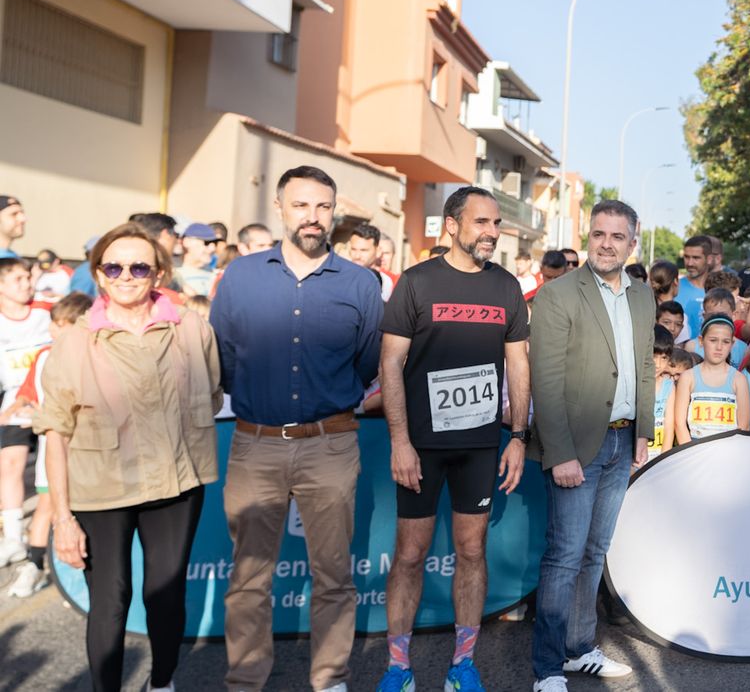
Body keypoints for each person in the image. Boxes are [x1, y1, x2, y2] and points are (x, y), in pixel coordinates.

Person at [211, 166, 384, 692]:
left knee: (333, 576)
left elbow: (366, 361)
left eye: (323, 206)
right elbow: (225, 358)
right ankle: (245, 679)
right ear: (282, 210)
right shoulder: (241, 277)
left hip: (330, 444)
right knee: (248, 578)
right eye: (302, 205)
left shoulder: (360, 283)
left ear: (334, 212)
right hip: (254, 443)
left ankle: (329, 678)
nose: (313, 217)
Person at [35, 223, 221, 692]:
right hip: (101, 489)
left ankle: (162, 683)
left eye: (139, 266)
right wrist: (62, 518)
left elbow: (213, 397)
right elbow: (55, 431)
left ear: (158, 274)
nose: (126, 275)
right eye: (113, 266)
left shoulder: (193, 330)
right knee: (111, 599)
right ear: (98, 274)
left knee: (165, 594)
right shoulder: (74, 341)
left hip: (176, 483)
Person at [377, 187, 530, 692]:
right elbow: (391, 363)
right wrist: (400, 440)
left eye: (496, 223)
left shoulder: (506, 287)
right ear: (451, 225)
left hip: (480, 445)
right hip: (421, 447)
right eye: (481, 222)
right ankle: (398, 668)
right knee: (410, 554)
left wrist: (518, 436)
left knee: (471, 550)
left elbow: (518, 365)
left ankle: (462, 664)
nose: (491, 231)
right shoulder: (417, 283)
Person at [528, 199, 656, 690]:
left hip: (623, 441)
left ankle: (580, 648)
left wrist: (643, 428)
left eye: (616, 236)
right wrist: (559, 453)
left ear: (632, 241)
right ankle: (546, 667)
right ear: (588, 237)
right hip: (575, 445)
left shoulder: (642, 296)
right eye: (599, 234)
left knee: (595, 551)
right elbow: (547, 379)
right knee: (564, 554)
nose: (606, 244)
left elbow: (645, 365)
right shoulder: (558, 295)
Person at [6, 291, 93, 598]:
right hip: (52, 453)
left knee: (80, 515)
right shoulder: (44, 356)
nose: (54, 330)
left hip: (86, 457)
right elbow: (26, 395)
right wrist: (8, 415)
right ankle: (33, 565)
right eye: (53, 323)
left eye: (61, 324)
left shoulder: (93, 355)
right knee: (48, 508)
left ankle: (76, 581)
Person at [0, 257, 51, 568]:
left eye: (27, 277)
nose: (26, 284)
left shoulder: (47, 310)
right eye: (17, 279)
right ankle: (13, 539)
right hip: (15, 404)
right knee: (10, 465)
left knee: (49, 472)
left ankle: (45, 538)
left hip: (49, 401)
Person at [676, 316, 750, 440]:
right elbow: (679, 424)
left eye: (725, 342)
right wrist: (690, 454)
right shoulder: (688, 377)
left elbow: (744, 426)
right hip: (694, 454)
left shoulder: (739, 379)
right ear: (701, 341)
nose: (719, 347)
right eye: (713, 340)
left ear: (732, 344)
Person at [345, 223, 396, 301]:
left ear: (378, 251)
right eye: (353, 249)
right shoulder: (340, 276)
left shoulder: (386, 282)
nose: (357, 256)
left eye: (364, 250)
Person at [677, 235, 714, 336]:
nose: (690, 263)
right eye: (686, 257)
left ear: (709, 259)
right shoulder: (674, 288)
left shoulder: (720, 289)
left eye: (696, 258)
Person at [173, 223, 218, 298]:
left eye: (215, 244)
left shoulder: (214, 275)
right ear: (187, 242)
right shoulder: (171, 271)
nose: (213, 248)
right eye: (206, 243)